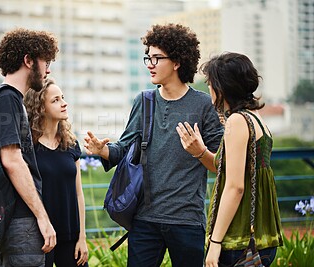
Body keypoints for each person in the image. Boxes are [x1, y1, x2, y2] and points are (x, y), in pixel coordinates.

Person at [84, 23, 223, 267]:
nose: (150, 63)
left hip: (187, 219)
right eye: (148, 57)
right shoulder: (145, 101)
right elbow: (125, 149)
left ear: (177, 62)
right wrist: (102, 150)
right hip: (144, 219)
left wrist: (199, 152)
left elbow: (221, 166)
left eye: (157, 58)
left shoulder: (203, 105)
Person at [176, 52, 283, 267]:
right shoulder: (256, 119)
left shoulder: (237, 121)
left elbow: (235, 187)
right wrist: (200, 151)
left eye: (210, 83)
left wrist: (215, 242)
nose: (209, 89)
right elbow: (232, 169)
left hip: (239, 241)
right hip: (262, 239)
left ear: (221, 87)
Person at [0, 28, 59, 266]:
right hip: (20, 222)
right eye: (45, 62)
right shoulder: (7, 99)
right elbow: (12, 160)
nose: (48, 69)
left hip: (4, 218)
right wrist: (42, 217)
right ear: (28, 60)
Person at [24, 78, 89, 267]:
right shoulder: (28, 148)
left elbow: (78, 193)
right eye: (56, 100)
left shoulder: (70, 144)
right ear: (40, 108)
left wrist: (82, 237)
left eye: (63, 98)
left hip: (71, 236)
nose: (64, 103)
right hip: (41, 238)